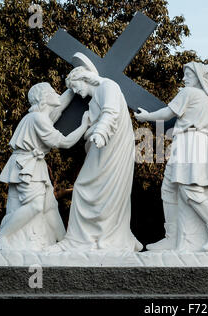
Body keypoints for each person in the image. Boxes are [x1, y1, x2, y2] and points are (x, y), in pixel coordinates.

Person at [50, 53, 142, 252]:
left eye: (76, 87)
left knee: (86, 187)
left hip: (111, 147)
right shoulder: (93, 101)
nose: (77, 92)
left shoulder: (108, 86)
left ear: (84, 78)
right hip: (100, 148)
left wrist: (99, 132)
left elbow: (111, 112)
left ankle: (99, 238)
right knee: (86, 188)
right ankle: (82, 239)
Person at [134, 62, 208, 252]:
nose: (184, 79)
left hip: (190, 142)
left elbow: (168, 112)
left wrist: (146, 117)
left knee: (189, 191)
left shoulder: (189, 93)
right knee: (168, 188)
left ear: (199, 78)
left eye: (188, 75)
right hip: (197, 144)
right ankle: (172, 237)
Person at [0, 82, 90, 250]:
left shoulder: (41, 117)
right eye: (52, 92)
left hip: (34, 165)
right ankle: (1, 237)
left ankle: (64, 242)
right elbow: (63, 142)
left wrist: (73, 87)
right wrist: (84, 125)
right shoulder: (38, 119)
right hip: (26, 166)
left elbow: (59, 106)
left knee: (50, 205)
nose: (56, 94)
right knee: (36, 206)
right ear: (44, 98)